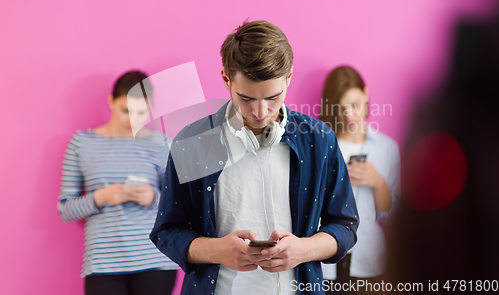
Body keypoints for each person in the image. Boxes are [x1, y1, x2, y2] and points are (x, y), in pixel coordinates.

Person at [151, 21, 359, 295]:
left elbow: (345, 225)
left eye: (273, 97)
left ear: (289, 77)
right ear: (226, 79)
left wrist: (303, 250)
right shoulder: (193, 142)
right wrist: (217, 251)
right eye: (246, 98)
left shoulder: (319, 139)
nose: (261, 112)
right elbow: (166, 231)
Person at [58, 70, 178, 295]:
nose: (133, 120)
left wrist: (152, 197)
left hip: (155, 260)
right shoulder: (82, 143)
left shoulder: (162, 143)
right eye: (126, 111)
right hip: (103, 264)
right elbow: (65, 209)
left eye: (141, 112)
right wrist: (101, 197)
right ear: (111, 101)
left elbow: (179, 207)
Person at [319, 66, 401, 295]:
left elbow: (391, 214)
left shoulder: (386, 148)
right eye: (342, 108)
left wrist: (377, 182)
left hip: (369, 261)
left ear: (366, 94)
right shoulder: (324, 146)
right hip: (326, 263)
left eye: (355, 105)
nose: (350, 115)